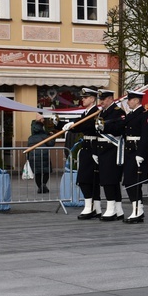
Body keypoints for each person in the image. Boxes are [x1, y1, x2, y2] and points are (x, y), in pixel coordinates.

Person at [61, 88, 102, 219]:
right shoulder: (87, 112)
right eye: (82, 97)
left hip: (93, 147)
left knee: (86, 179)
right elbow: (80, 124)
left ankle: (89, 207)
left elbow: (87, 126)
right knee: (88, 179)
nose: (82, 99)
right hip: (86, 147)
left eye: (85, 97)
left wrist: (73, 124)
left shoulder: (96, 112)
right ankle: (94, 207)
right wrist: (62, 123)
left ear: (92, 99)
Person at [122, 90, 148, 223]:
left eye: (130, 100)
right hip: (130, 151)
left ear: (136, 101)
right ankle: (137, 208)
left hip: (137, 151)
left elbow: (146, 137)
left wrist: (141, 154)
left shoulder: (145, 115)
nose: (128, 102)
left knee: (134, 181)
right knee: (129, 181)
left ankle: (137, 210)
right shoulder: (131, 115)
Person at [94, 89, 126, 221]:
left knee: (109, 180)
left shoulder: (118, 112)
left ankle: (111, 208)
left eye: (103, 99)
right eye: (100, 99)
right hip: (102, 149)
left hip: (112, 149)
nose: (101, 102)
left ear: (111, 99)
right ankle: (118, 210)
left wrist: (104, 128)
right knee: (110, 180)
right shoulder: (102, 112)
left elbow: (119, 129)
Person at [26, 114, 54, 193]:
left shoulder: (30, 137)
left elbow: (28, 147)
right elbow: (51, 144)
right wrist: (52, 136)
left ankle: (40, 187)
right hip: (43, 156)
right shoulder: (44, 135)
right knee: (46, 171)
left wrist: (28, 158)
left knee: (37, 173)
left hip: (33, 156)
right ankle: (43, 185)